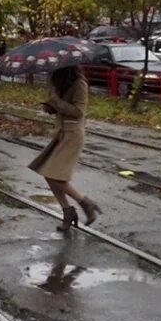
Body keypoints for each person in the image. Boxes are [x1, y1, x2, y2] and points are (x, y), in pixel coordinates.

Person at [28, 65, 100, 231]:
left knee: (54, 176)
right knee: (48, 173)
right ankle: (68, 211)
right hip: (61, 134)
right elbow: (60, 108)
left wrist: (57, 101)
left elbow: (78, 111)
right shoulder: (60, 83)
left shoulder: (79, 84)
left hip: (72, 135)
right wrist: (50, 107)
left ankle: (85, 203)